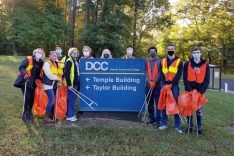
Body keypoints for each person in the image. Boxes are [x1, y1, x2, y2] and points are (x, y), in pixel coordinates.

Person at [183, 47, 210, 136]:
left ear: (201, 53)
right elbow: (185, 78)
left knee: (199, 111)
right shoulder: (187, 64)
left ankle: (199, 128)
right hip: (189, 91)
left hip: (199, 92)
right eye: (194, 52)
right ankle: (189, 127)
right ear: (192, 53)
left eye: (198, 52)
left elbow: (207, 80)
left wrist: (200, 92)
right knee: (189, 109)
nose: (196, 54)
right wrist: (190, 90)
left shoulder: (206, 65)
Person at [14, 48, 45, 123]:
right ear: (34, 52)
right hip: (25, 81)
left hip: (33, 83)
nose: (39, 53)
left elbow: (38, 74)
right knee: (27, 97)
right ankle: (24, 115)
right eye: (37, 52)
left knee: (32, 98)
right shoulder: (29, 59)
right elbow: (21, 67)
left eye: (40, 53)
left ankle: (29, 111)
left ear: (42, 55)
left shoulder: (41, 63)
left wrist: (42, 80)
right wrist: (25, 74)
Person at [158, 43, 183, 134]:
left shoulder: (179, 61)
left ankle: (177, 126)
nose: (170, 50)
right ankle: (164, 124)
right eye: (169, 49)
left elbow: (179, 75)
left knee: (176, 104)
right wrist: (165, 84)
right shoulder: (162, 61)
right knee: (164, 104)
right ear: (166, 50)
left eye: (172, 49)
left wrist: (172, 84)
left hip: (174, 85)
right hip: (164, 85)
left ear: (174, 50)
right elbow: (161, 73)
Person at [145, 46, 162, 128]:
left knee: (158, 103)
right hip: (148, 85)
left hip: (157, 86)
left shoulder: (160, 61)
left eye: (154, 51)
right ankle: (151, 118)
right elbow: (145, 72)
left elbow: (160, 73)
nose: (152, 52)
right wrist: (148, 81)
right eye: (151, 51)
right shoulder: (146, 61)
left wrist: (155, 82)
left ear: (156, 52)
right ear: (149, 52)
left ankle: (158, 120)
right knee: (150, 103)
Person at [42, 51, 61, 123]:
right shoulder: (47, 63)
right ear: (49, 56)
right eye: (53, 55)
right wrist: (58, 79)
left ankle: (51, 115)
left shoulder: (55, 64)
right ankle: (46, 116)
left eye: (55, 56)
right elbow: (48, 74)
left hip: (54, 84)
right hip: (48, 84)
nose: (54, 57)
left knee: (53, 100)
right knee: (51, 100)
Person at [64, 47, 80, 121]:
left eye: (76, 52)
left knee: (73, 99)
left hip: (76, 83)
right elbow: (66, 74)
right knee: (71, 99)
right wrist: (69, 84)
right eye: (73, 52)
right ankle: (70, 115)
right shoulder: (69, 61)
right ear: (70, 53)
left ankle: (70, 114)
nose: (75, 53)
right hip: (72, 84)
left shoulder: (76, 61)